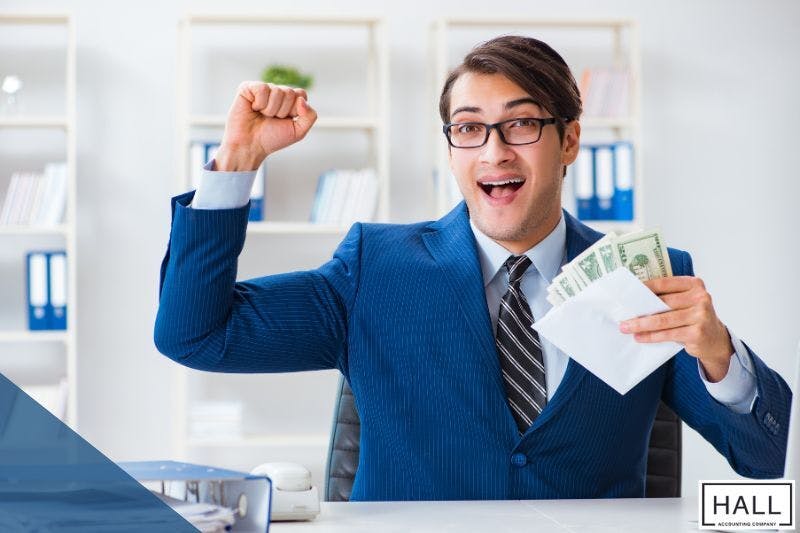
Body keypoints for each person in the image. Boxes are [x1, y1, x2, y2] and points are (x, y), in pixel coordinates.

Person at [155, 35, 791, 501]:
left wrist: (717, 353)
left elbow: (762, 460)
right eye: (469, 128)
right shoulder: (374, 270)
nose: (494, 151)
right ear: (451, 147)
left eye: (520, 125)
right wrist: (235, 163)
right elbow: (196, 334)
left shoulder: (646, 278)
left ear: (569, 141)